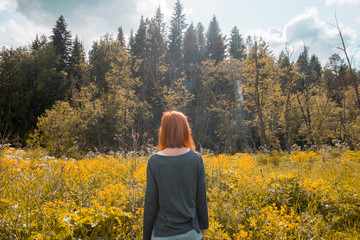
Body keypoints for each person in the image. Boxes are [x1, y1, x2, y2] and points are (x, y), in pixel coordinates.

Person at [143, 111, 209, 240]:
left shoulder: (154, 161)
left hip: (163, 234)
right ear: (185, 130)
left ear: (163, 131)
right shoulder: (196, 159)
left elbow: (151, 204)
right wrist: (203, 230)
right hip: (191, 232)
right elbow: (201, 198)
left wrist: (146, 237)